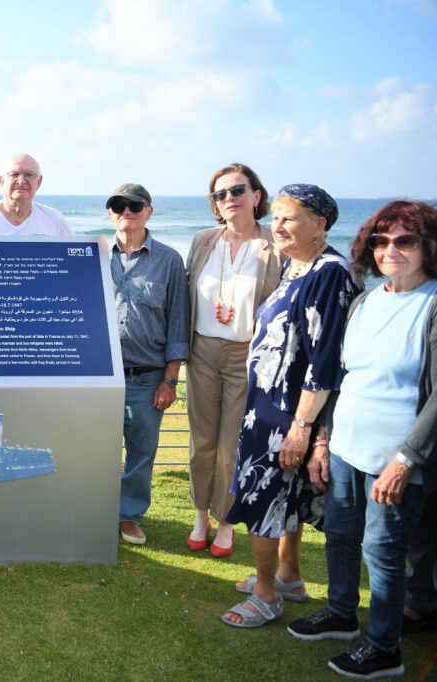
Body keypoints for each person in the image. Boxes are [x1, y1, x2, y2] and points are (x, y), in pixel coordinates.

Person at [287, 201, 437, 679]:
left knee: (383, 551)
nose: (389, 249)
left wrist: (405, 461)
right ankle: (340, 613)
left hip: (396, 458)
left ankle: (383, 648)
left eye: (405, 240)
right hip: (345, 449)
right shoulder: (366, 300)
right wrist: (321, 443)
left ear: (429, 247)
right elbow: (345, 378)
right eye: (380, 240)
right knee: (339, 535)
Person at [222, 184, 361, 628]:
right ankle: (288, 576)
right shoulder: (295, 265)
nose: (278, 225)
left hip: (289, 412)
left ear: (320, 224)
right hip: (266, 406)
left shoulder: (329, 273)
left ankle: (266, 595)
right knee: (284, 496)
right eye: (276, 216)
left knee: (261, 494)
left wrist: (302, 426)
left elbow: (325, 359)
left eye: (290, 217)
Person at [185, 163, 282, 558]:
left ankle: (226, 521)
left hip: (248, 354)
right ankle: (200, 515)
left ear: (257, 196)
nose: (229, 200)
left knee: (231, 443)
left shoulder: (276, 243)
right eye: (220, 195)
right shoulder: (203, 240)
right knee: (201, 441)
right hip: (202, 350)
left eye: (237, 191)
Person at [106, 183, 190, 545]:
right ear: (110, 213)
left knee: (141, 453)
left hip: (146, 377)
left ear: (149, 211)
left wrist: (170, 380)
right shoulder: (91, 254)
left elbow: (178, 323)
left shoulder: (169, 260)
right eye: (119, 205)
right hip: (99, 377)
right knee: (96, 449)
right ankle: (94, 510)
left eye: (135, 205)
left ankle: (129, 516)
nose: (128, 210)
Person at [0, 154, 72, 236]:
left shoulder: (55, 220)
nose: (21, 181)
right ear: (2, 180)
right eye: (14, 174)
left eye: (29, 174)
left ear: (39, 182)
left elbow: (72, 264)